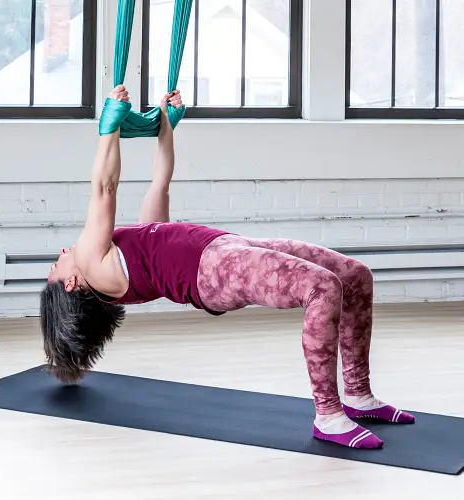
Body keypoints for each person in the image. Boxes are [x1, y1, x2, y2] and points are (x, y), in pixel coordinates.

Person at [41, 85, 415, 450]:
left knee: (354, 275)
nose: (61, 251)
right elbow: (105, 187)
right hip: (216, 268)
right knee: (322, 287)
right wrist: (109, 131)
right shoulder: (93, 265)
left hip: (227, 246)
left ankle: (358, 396)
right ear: (72, 283)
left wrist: (166, 129)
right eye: (56, 264)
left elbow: (160, 186)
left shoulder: (120, 256)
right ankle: (329, 416)